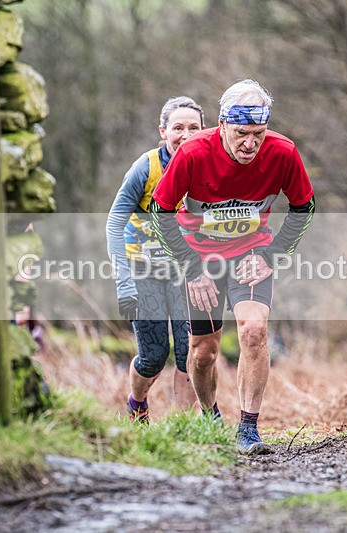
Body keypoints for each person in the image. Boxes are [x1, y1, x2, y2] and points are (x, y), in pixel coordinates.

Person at [150, 79, 316, 453]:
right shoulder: (193, 153)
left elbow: (305, 207)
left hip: (250, 254)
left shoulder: (283, 153)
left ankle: (248, 428)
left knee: (254, 331)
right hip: (200, 258)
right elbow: (159, 213)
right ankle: (210, 416)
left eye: (258, 134)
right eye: (242, 133)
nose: (250, 143)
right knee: (203, 352)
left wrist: (272, 255)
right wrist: (191, 268)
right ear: (223, 125)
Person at [106, 96, 204, 422]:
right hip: (142, 270)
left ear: (205, 131)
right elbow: (113, 224)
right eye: (178, 127)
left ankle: (185, 428)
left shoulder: (209, 167)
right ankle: (137, 403)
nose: (186, 134)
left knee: (188, 353)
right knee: (153, 357)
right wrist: (124, 284)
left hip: (185, 272)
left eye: (194, 127)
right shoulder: (145, 168)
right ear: (163, 131)